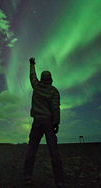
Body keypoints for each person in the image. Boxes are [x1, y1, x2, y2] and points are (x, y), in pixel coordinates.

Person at [23, 57, 65, 188]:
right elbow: (55, 108)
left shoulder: (36, 86)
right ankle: (59, 181)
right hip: (48, 122)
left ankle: (28, 176)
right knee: (54, 151)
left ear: (42, 78)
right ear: (51, 79)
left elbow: (32, 76)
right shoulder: (54, 91)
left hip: (37, 122)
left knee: (32, 149)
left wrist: (31, 64)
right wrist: (56, 123)